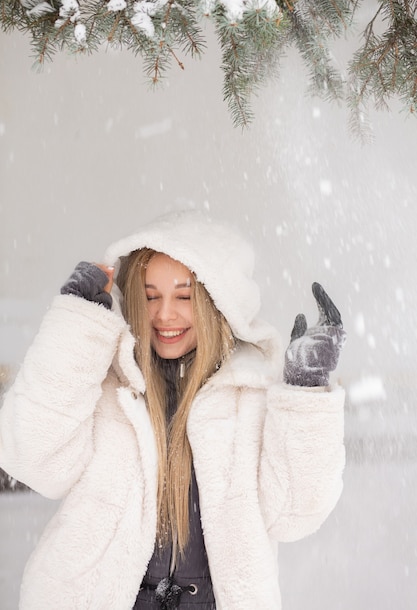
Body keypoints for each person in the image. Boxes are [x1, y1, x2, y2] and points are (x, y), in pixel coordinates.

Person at [0, 211, 346, 610]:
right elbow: (32, 458)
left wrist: (307, 390)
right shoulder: (105, 381)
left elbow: (293, 513)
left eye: (184, 297)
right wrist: (74, 328)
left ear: (219, 304)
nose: (164, 314)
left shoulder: (250, 394)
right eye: (150, 296)